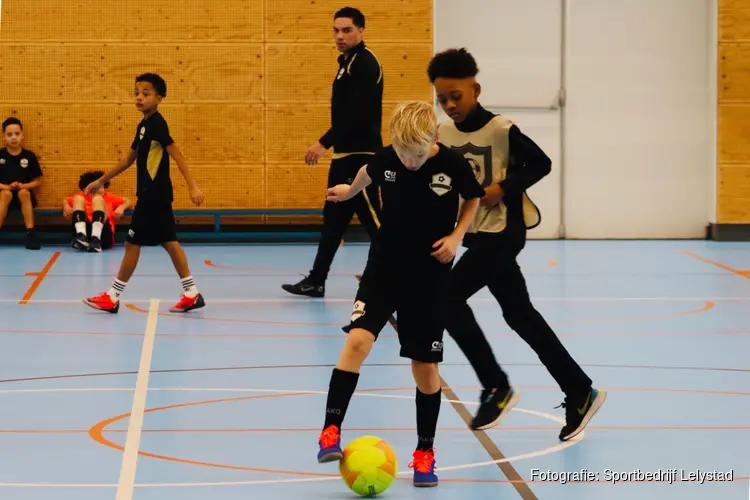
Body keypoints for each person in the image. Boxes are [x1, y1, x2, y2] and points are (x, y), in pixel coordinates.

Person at [427, 48, 606, 442]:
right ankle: (578, 390)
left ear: (475, 89)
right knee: (520, 315)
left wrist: (502, 188)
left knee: (448, 299)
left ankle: (495, 385)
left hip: (504, 232)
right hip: (477, 234)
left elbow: (541, 163)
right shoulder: (443, 134)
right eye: (442, 99)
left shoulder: (501, 129)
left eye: (456, 95)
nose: (450, 104)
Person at [315, 101, 484, 488]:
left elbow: (473, 198)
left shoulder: (454, 165)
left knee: (425, 369)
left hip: (429, 276)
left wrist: (457, 237)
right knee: (357, 341)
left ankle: (425, 451)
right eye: (405, 154)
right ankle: (330, 430)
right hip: (385, 268)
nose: (411, 161)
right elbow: (366, 172)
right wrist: (349, 190)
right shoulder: (388, 158)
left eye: (419, 154)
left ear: (435, 139)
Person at [82, 72, 206, 314]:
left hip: (153, 196)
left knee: (132, 243)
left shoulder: (158, 124)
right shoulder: (143, 126)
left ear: (160, 98)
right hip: (154, 196)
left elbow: (176, 154)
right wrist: (100, 180)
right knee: (169, 241)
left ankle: (112, 296)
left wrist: (193, 186)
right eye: (136, 93)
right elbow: (129, 159)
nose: (139, 97)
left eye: (146, 94)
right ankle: (192, 293)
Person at [282, 7, 384, 298]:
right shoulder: (347, 62)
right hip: (344, 157)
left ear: (361, 31)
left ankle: (403, 276)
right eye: (336, 31)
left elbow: (357, 114)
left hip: (361, 158)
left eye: (346, 30)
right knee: (333, 221)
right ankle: (316, 280)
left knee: (375, 224)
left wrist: (323, 142)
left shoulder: (364, 63)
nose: (340, 36)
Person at [0, 117, 43, 249]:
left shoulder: (29, 156)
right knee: (6, 194)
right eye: (9, 134)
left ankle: (31, 233)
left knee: (24, 193)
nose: (14, 137)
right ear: (4, 137)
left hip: (23, 197)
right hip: (4, 195)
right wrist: (6, 186)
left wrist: (24, 186)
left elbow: (38, 180)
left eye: (17, 134)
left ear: (22, 135)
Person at [63, 170, 131, 252]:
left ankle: (96, 239)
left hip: (103, 236)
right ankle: (81, 236)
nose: (100, 188)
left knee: (98, 199)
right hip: (85, 233)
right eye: (96, 186)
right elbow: (66, 200)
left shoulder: (108, 197)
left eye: (101, 185)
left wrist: (122, 207)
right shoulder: (81, 196)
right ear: (86, 188)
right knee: (78, 199)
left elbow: (127, 201)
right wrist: (66, 206)